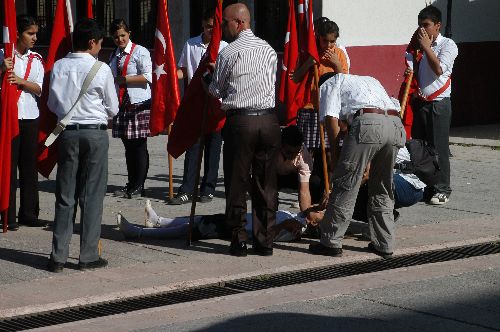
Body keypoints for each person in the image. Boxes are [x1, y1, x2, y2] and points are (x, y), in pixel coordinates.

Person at [206, 3, 279, 257]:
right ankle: (265, 240)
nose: (223, 28)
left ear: (239, 22)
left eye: (225, 23)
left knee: (237, 182)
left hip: (241, 121)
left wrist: (211, 78)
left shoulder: (229, 53)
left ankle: (238, 238)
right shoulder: (269, 50)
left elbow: (217, 91)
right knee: (266, 183)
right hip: (269, 121)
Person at [47, 18, 119, 272]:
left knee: (65, 196)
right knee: (92, 196)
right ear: (91, 43)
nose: (101, 47)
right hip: (94, 133)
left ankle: (58, 256)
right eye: (100, 43)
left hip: (67, 133)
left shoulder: (58, 66)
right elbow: (113, 107)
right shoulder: (101, 69)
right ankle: (88, 256)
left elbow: (52, 105)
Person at [308, 72, 405, 259]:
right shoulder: (370, 80)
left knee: (346, 183)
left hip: (368, 124)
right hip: (395, 125)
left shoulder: (329, 84)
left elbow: (331, 120)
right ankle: (384, 243)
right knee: (383, 187)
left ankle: (331, 241)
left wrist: (336, 160)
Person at [169, 9, 228, 205]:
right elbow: (183, 71)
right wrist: (166, 79)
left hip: (216, 105)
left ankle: (208, 188)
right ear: (202, 26)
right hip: (195, 102)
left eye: (215, 27)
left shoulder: (225, 47)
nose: (211, 30)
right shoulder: (191, 44)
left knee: (213, 148)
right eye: (208, 26)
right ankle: (187, 188)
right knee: (193, 147)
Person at [292, 17, 349, 191]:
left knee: (331, 152)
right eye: (325, 41)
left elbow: (345, 81)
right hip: (311, 107)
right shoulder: (310, 53)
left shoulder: (338, 54)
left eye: (332, 41)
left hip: (331, 108)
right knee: (309, 153)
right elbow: (295, 78)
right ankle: (308, 189)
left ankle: (330, 188)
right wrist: (310, 62)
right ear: (318, 37)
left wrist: (336, 64)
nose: (328, 45)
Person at [409, 5, 458, 205]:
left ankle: (443, 188)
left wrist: (427, 48)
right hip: (421, 102)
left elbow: (439, 69)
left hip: (439, 104)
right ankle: (426, 185)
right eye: (420, 25)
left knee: (439, 148)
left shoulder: (448, 45)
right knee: (421, 147)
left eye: (426, 25)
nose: (422, 29)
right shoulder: (419, 46)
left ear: (437, 26)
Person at [0, 15, 45, 231]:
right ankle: (7, 215)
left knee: (29, 166)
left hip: (30, 116)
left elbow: (39, 88)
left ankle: (29, 212)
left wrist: (21, 81)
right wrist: (2, 69)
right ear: (18, 34)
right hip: (10, 116)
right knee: (8, 166)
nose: (34, 37)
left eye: (36, 33)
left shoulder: (36, 59)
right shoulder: (4, 55)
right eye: (30, 33)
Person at [117, 200, 307, 243]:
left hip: (235, 229)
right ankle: (158, 220)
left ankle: (137, 233)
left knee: (189, 229)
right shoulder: (297, 216)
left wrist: (283, 226)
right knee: (198, 218)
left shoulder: (296, 230)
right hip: (237, 218)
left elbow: (266, 238)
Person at [110, 19, 153, 199]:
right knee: (128, 146)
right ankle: (131, 183)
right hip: (122, 104)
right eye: (116, 37)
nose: (120, 39)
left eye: (123, 35)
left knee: (139, 146)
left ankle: (139, 185)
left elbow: (148, 76)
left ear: (129, 34)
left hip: (138, 102)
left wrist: (125, 79)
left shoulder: (140, 51)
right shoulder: (115, 54)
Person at [277, 125, 322, 210]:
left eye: (296, 152)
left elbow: (304, 190)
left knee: (315, 182)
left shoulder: (304, 155)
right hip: (272, 175)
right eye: (289, 152)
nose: (293, 156)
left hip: (291, 176)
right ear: (281, 145)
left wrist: (305, 215)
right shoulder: (271, 149)